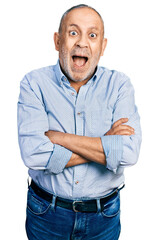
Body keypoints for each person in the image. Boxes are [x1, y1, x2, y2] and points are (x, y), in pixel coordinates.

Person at [17, 4, 142, 240]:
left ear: (102, 46)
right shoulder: (34, 84)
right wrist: (106, 144)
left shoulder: (120, 86)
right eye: (73, 32)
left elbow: (129, 153)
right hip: (46, 214)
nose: (82, 42)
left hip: (103, 216)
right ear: (57, 41)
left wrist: (60, 138)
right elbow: (34, 155)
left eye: (92, 35)